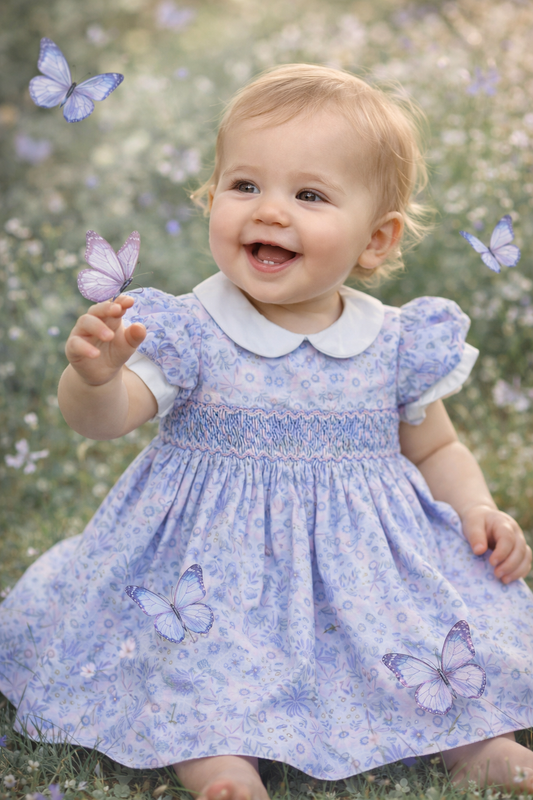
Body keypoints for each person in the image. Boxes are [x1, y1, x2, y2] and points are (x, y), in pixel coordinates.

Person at [1, 64, 533, 799]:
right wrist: (93, 376)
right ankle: (219, 760)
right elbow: (107, 419)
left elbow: (435, 446)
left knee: (428, 634)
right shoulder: (191, 328)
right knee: (198, 654)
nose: (269, 211)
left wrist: (476, 508)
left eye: (308, 195)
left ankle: (479, 742)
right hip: (214, 571)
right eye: (245, 186)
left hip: (364, 574)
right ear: (211, 197)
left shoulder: (394, 342)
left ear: (375, 240)